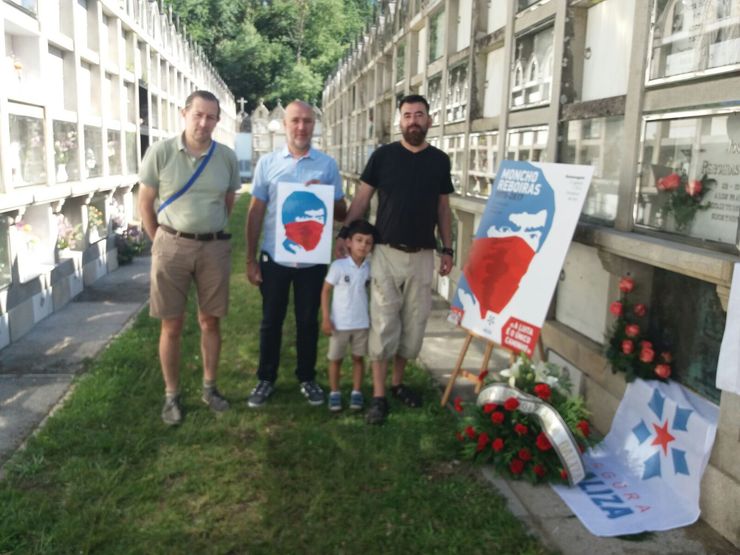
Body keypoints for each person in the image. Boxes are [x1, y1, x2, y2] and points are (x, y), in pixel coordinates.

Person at [339, 94, 454, 425]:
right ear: (399, 122)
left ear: (429, 120)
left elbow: (443, 208)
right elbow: (362, 199)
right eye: (407, 116)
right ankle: (378, 395)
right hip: (386, 252)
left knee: (414, 323)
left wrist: (448, 248)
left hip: (422, 255)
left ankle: (398, 383)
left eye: (419, 115)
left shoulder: (439, 161)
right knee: (385, 321)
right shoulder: (383, 157)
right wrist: (344, 234)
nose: (413, 121)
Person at [138, 90, 240, 426]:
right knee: (172, 324)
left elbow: (227, 201)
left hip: (212, 247)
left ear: (217, 120)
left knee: (210, 320)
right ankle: (171, 395)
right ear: (184, 113)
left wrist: (208, 230)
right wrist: (160, 241)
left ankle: (210, 388)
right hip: (172, 245)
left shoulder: (225, 157)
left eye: (211, 116)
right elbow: (146, 203)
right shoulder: (161, 152)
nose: (203, 122)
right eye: (198, 114)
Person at [246, 100, 347, 407]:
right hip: (275, 257)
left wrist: (326, 195)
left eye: (307, 121)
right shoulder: (267, 163)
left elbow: (342, 211)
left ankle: (307, 377)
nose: (302, 127)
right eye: (295, 121)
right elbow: (256, 211)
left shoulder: (327, 165)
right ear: (286, 124)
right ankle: (265, 378)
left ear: (314, 125)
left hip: (312, 260)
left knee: (307, 321)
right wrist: (250, 258)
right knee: (270, 321)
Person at [321, 219, 377, 412]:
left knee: (358, 359)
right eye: (359, 240)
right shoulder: (338, 266)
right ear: (349, 242)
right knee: (335, 359)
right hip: (339, 324)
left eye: (368, 242)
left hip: (361, 324)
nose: (363, 245)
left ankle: (356, 392)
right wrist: (326, 318)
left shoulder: (370, 268)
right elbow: (325, 291)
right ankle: (334, 392)